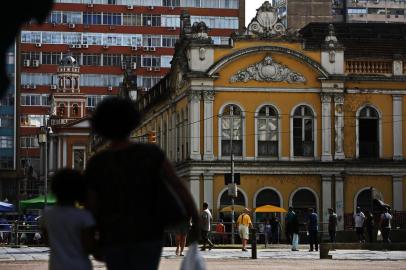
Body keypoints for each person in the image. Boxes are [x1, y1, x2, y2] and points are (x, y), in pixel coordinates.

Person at [84, 97, 200, 270]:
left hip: (114, 236)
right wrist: (195, 219)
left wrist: (92, 240)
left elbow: (91, 205)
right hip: (149, 234)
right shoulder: (150, 153)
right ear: (132, 121)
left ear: (101, 126)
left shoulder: (97, 162)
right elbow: (177, 185)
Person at [41, 169, 96, 270]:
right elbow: (89, 246)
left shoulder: (47, 214)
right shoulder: (84, 216)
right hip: (81, 266)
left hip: (56, 266)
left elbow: (47, 242)